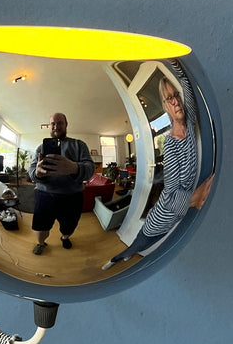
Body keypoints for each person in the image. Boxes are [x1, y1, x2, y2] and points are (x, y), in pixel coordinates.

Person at [102, 63, 213, 269]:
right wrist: (195, 198)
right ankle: (116, 258)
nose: (175, 101)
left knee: (146, 242)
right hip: (163, 215)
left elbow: (187, 88)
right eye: (169, 98)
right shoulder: (170, 144)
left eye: (176, 96)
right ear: (165, 107)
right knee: (141, 241)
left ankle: (126, 254)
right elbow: (171, 193)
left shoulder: (190, 125)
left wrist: (177, 66)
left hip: (177, 210)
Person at [28, 113, 94, 254]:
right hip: (44, 195)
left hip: (72, 196)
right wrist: (37, 173)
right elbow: (32, 172)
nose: (56, 126)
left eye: (60, 123)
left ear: (66, 124)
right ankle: (41, 243)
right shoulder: (41, 148)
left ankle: (64, 238)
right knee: (41, 227)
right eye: (53, 123)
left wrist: (74, 168)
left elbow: (90, 169)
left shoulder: (79, 145)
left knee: (69, 226)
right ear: (49, 126)